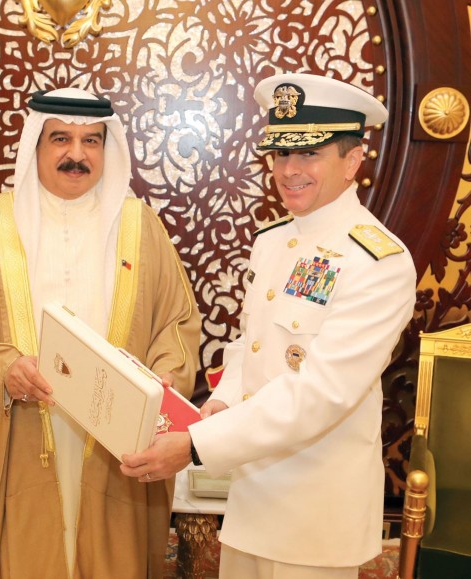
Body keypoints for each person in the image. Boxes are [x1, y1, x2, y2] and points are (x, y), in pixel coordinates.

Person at [120, 72, 417, 578]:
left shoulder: (377, 261)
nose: (289, 170)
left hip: (314, 518)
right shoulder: (273, 240)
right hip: (251, 500)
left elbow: (321, 393)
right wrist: (219, 402)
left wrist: (197, 445)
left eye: (309, 154)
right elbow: (252, 344)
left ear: (352, 161)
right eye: (281, 153)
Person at [0, 87, 201, 579]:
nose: (77, 154)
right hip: (22, 433)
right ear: (36, 145)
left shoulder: (139, 226)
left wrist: (160, 387)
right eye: (61, 139)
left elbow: (176, 323)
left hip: (115, 443)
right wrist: (4, 368)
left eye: (91, 141)